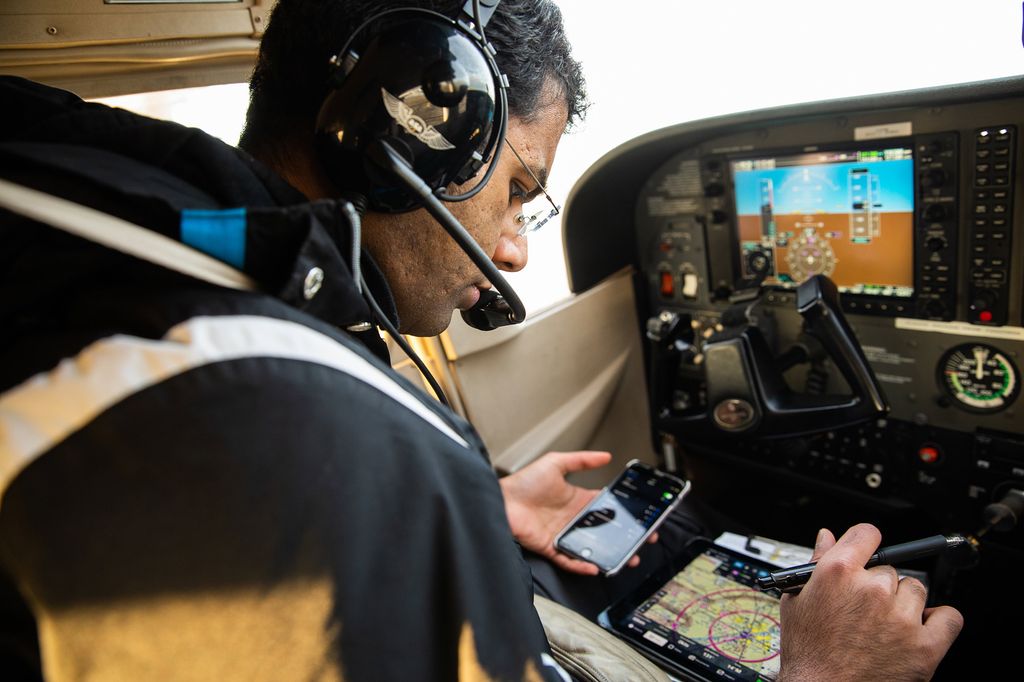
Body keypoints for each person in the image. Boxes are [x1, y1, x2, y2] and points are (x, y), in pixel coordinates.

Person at [0, 1, 961, 681]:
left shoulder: (118, 231)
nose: (511, 252)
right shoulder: (281, 419)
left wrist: (454, 506)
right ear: (412, 124)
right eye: (518, 191)